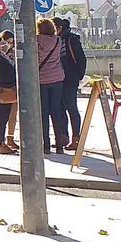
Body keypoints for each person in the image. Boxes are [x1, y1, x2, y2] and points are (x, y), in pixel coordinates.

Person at [36, 17, 69, 155]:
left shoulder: (36, 41)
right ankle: (59, 146)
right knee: (56, 112)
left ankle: (46, 145)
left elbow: (35, 59)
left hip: (42, 80)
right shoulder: (58, 40)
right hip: (57, 79)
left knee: (43, 113)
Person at [55, 18, 86, 150]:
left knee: (71, 108)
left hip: (70, 79)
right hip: (59, 78)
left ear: (59, 27)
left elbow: (81, 59)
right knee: (60, 108)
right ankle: (63, 137)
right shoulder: (57, 40)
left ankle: (76, 139)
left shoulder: (70, 39)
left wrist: (78, 76)